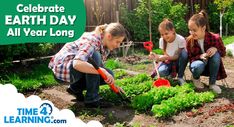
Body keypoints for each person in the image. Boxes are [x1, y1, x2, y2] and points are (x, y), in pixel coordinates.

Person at [49, 23, 126, 108]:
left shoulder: (104, 46)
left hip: (73, 72)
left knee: (109, 74)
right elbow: (77, 64)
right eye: (117, 42)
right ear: (109, 36)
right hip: (64, 72)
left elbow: (98, 70)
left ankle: (75, 88)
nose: (118, 45)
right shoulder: (92, 41)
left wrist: (114, 86)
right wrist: (102, 70)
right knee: (95, 57)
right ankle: (92, 100)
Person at [186, 10, 227, 94]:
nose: (191, 33)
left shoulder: (215, 38)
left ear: (203, 28)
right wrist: (200, 56)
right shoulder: (189, 40)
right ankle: (196, 79)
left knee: (215, 55)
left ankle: (212, 84)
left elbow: (223, 53)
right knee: (198, 65)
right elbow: (189, 57)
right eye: (190, 30)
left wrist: (216, 49)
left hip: (212, 67)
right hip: (197, 66)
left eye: (194, 30)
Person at [149, 19, 188, 85]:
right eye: (162, 34)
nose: (164, 36)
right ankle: (169, 76)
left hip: (179, 63)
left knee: (184, 53)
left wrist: (164, 57)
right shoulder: (162, 40)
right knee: (161, 72)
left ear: (173, 30)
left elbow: (177, 56)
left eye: (166, 33)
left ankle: (180, 77)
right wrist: (156, 56)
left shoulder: (180, 39)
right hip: (168, 62)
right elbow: (165, 55)